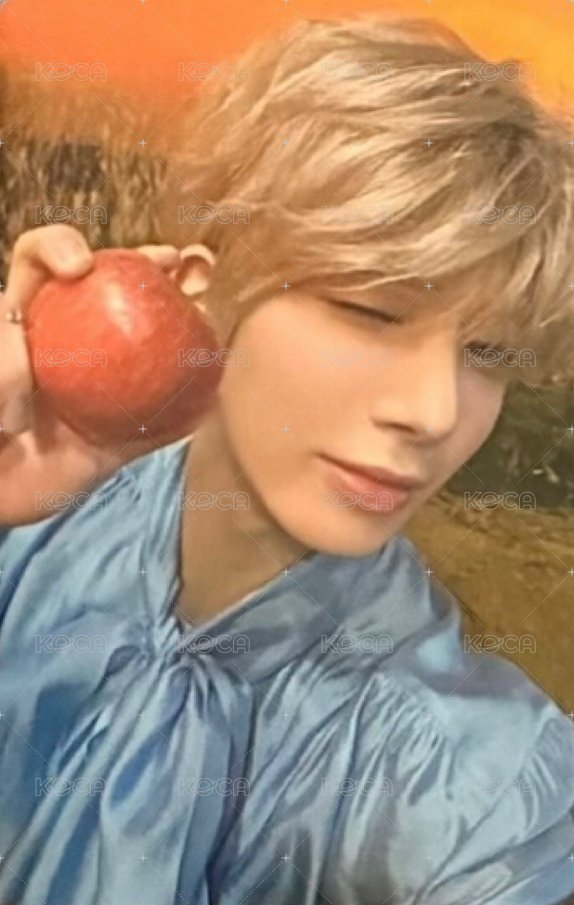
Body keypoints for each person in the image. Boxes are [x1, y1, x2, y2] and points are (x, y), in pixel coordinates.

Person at [1, 13, 574, 905]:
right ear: (205, 293)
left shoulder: (480, 797)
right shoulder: (35, 521)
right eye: (372, 312)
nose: (433, 413)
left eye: (488, 354)